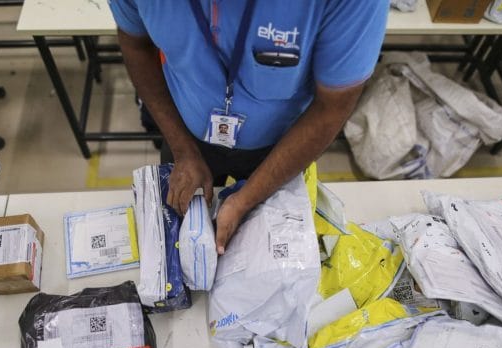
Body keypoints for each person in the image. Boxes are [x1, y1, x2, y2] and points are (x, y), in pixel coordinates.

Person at [109, 0, 389, 254]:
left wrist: (244, 200)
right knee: (177, 247)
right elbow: (135, 45)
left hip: (283, 145)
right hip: (185, 133)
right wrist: (183, 150)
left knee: (271, 258)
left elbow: (333, 105)